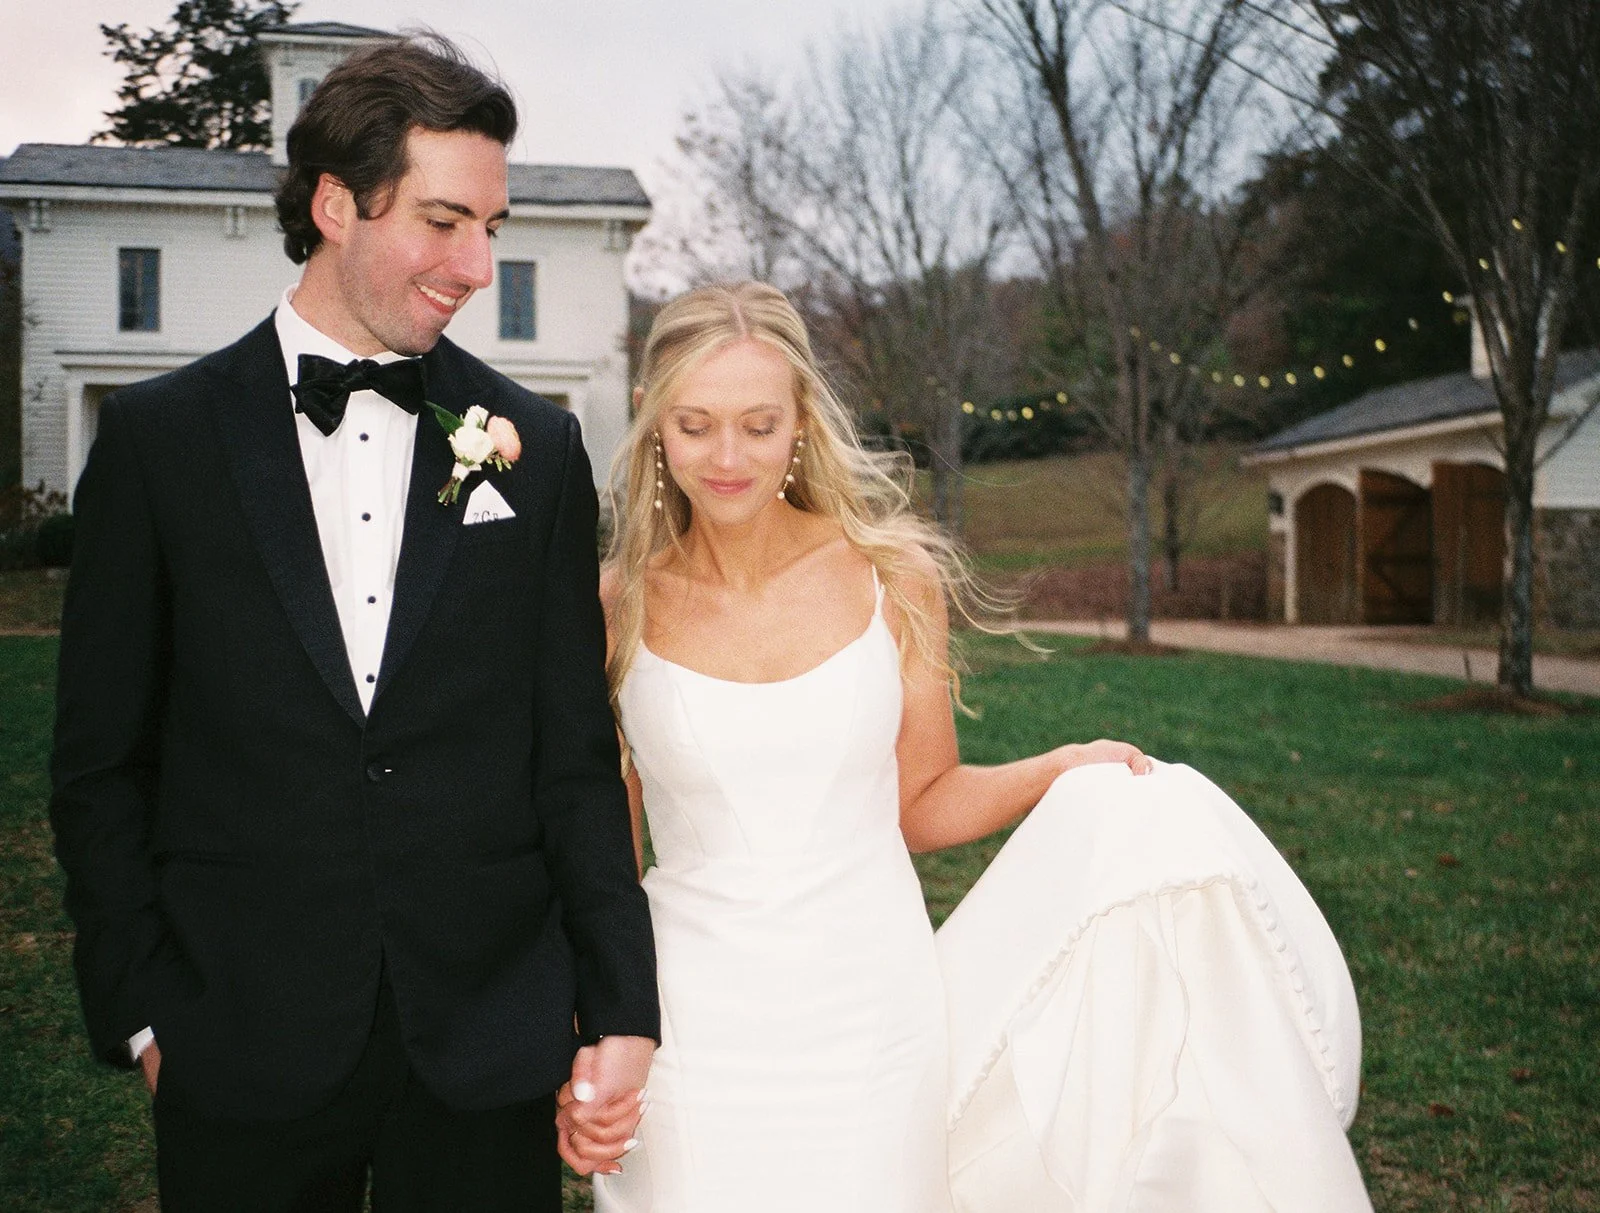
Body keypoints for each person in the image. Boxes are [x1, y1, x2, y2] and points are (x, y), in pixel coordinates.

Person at [564, 281, 1373, 1211]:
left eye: (758, 423)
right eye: (696, 424)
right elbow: (604, 863)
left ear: (801, 423)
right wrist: (595, 1026)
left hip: (872, 1017)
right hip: (689, 1022)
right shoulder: (612, 606)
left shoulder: (892, 575)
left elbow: (922, 801)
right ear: (652, 420)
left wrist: (1057, 769)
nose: (729, 455)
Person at [48, 36, 656, 1212]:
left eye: (492, 224)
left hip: (485, 1050)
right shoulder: (159, 447)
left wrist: (620, 1009)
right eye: (443, 221)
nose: (478, 264)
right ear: (335, 204)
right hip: (238, 1045)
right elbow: (99, 766)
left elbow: (574, 761)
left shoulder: (539, 444)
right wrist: (142, 1012)